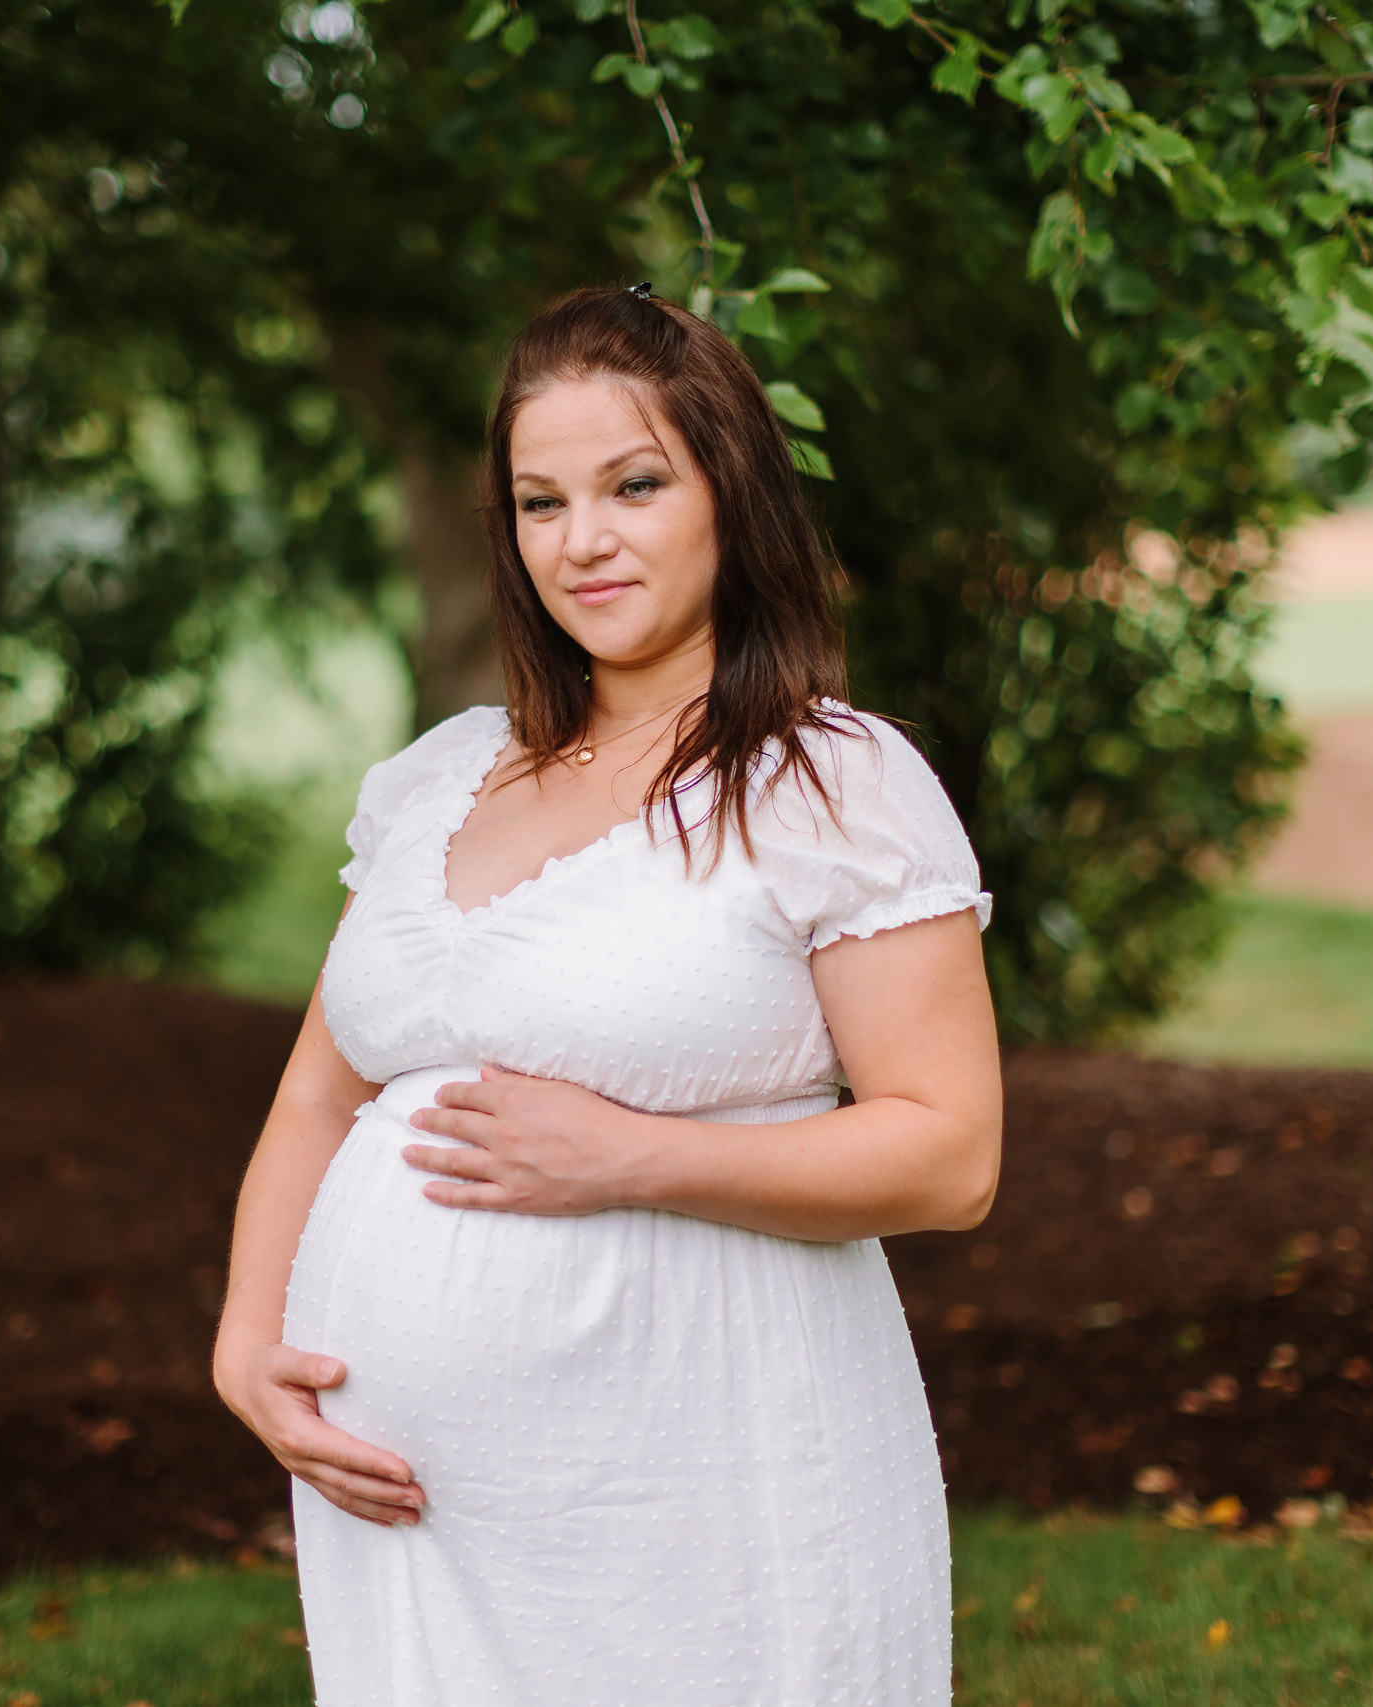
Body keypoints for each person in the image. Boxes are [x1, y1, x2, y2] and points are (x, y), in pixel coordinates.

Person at [213, 282, 1003, 1705]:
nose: (583, 540)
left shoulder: (831, 780)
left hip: (694, 1480)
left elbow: (951, 1155)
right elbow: (320, 1093)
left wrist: (637, 1158)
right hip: (414, 1512)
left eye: (634, 484)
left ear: (728, 493)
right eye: (540, 501)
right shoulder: (438, 777)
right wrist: (247, 1340)